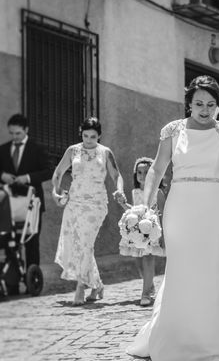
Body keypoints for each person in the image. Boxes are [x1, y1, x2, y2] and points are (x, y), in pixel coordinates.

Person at [126, 75, 219, 361]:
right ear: (189, 102)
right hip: (181, 206)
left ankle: (217, 340)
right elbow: (157, 168)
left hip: (217, 206)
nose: (204, 110)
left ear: (218, 106)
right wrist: (147, 202)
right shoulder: (172, 131)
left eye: (211, 105)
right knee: (181, 269)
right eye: (199, 103)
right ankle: (178, 336)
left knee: (214, 268)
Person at [52, 117, 126, 305]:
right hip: (74, 202)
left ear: (99, 135)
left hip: (96, 204)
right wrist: (56, 192)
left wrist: (120, 190)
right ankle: (97, 285)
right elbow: (58, 173)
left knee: (86, 244)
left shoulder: (105, 152)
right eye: (85, 136)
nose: (89, 140)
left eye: (93, 136)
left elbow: (117, 175)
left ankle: (80, 287)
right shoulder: (73, 150)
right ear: (81, 133)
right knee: (81, 244)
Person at [0, 114, 52, 268]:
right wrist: (2, 175)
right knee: (10, 241)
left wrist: (28, 178)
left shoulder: (37, 149)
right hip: (8, 205)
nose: (15, 137)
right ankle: (12, 283)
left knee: (31, 241)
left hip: (32, 203)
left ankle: (32, 279)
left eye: (18, 133)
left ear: (26, 130)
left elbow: (49, 171)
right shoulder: (2, 150)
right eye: (12, 133)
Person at [118, 157, 165, 307]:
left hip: (152, 231)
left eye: (146, 172)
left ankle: (145, 293)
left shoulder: (158, 192)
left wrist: (162, 235)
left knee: (148, 259)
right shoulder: (135, 192)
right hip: (136, 232)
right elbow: (134, 210)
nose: (142, 175)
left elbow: (163, 212)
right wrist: (124, 204)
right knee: (138, 262)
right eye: (139, 172)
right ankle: (149, 286)